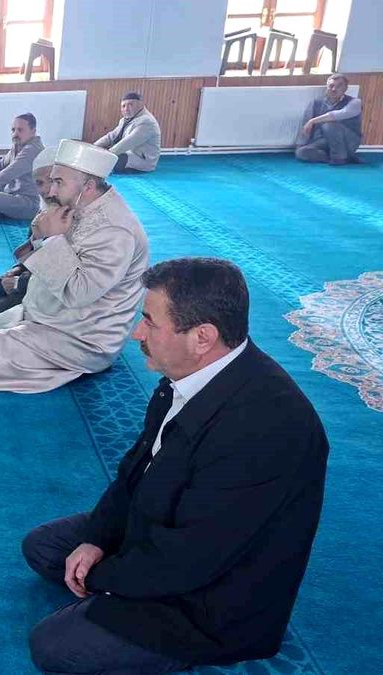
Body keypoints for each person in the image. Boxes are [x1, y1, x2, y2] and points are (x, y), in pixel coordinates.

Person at [22, 258, 329, 674]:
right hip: (164, 526)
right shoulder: (191, 374)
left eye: (150, 321)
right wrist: (96, 539)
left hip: (211, 600)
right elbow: (135, 471)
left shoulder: (267, 427)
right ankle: (118, 594)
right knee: (43, 547)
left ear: (202, 337)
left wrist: (100, 576)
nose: (137, 332)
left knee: (54, 645)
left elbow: (194, 558)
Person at [0, 140, 149, 393]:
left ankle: (77, 365)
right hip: (53, 315)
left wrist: (49, 239)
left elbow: (80, 293)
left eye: (58, 182)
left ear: (88, 186)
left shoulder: (115, 230)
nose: (51, 190)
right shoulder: (77, 204)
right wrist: (39, 238)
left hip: (83, 337)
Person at [0, 145, 58, 318]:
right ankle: (26, 308)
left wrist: (18, 283)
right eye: (40, 183)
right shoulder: (44, 211)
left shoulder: (68, 215)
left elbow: (61, 270)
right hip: (33, 276)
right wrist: (17, 269)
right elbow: (33, 251)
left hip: (56, 289)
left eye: (52, 181)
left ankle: (30, 311)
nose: (46, 189)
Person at [296, 73, 362, 165]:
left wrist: (312, 121)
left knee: (329, 124)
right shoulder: (316, 103)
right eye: (331, 86)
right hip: (325, 141)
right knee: (301, 153)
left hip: (348, 141)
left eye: (339, 86)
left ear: (345, 88)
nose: (334, 89)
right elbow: (305, 126)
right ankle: (343, 157)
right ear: (327, 87)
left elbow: (336, 115)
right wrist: (301, 145)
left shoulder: (355, 102)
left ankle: (339, 157)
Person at [94, 92, 160, 174]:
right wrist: (94, 147)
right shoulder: (125, 120)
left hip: (142, 160)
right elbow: (111, 136)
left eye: (130, 105)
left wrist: (107, 155)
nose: (126, 109)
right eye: (123, 106)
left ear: (140, 105)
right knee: (101, 151)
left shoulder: (147, 121)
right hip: (128, 153)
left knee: (111, 159)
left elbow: (128, 142)